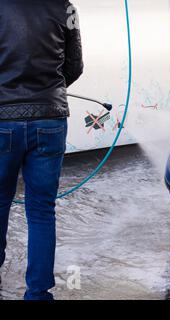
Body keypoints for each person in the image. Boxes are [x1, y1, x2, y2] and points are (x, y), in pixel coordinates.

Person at [0, 0, 83, 300]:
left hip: (3, 121)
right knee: (41, 211)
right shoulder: (65, 7)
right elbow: (74, 66)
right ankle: (38, 294)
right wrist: (48, 90)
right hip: (50, 118)